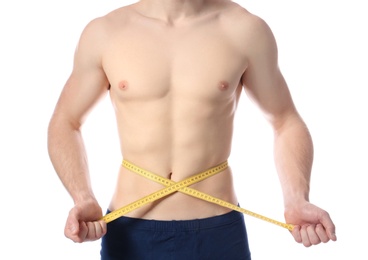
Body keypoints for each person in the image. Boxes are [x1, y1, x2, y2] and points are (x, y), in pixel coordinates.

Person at [47, 0, 337, 259]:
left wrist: (297, 198)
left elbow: (285, 120)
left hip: (219, 231)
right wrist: (82, 197)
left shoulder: (244, 30)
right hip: (129, 231)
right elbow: (66, 121)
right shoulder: (105, 33)